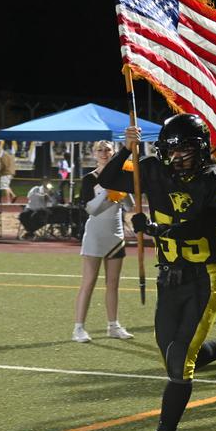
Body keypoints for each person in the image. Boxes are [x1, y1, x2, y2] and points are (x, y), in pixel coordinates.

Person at [98, 114, 216, 431]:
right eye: (172, 149)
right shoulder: (152, 169)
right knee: (173, 357)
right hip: (168, 279)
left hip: (206, 276)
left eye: (185, 149)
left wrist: (153, 229)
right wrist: (126, 150)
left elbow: (203, 223)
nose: (178, 156)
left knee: (181, 361)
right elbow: (108, 179)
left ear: (200, 149)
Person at [72, 140, 134, 343]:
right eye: (99, 149)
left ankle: (113, 325)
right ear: (93, 153)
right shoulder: (90, 179)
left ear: (114, 152)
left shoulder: (121, 176)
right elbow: (89, 209)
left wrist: (128, 185)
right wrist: (109, 192)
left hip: (116, 235)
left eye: (108, 149)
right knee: (88, 282)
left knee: (113, 284)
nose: (104, 152)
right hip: (95, 235)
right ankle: (79, 327)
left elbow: (130, 205)